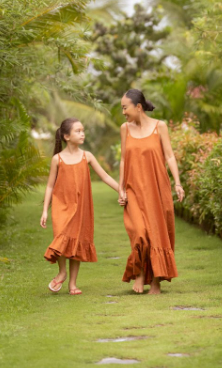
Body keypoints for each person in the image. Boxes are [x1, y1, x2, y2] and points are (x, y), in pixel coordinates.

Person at [40, 118, 122, 295]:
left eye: (83, 130)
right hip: (61, 206)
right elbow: (49, 186)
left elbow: (106, 177)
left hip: (81, 208)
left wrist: (120, 190)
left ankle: (73, 285)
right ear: (66, 136)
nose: (82, 133)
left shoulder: (87, 156)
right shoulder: (57, 159)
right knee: (61, 238)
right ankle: (62, 272)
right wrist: (45, 210)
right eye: (78, 131)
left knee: (76, 243)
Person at [118, 89, 185, 294]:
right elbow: (123, 160)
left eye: (125, 107)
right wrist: (121, 188)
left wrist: (178, 183)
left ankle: (155, 282)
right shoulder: (125, 129)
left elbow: (170, 156)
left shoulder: (159, 126)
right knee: (139, 232)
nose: (123, 112)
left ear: (138, 107)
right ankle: (139, 275)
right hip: (134, 189)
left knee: (156, 233)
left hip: (157, 188)